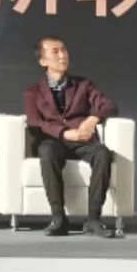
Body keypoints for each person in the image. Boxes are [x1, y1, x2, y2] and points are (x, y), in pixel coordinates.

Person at [23, 36, 118, 238]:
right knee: (46, 150)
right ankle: (58, 218)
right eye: (55, 52)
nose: (62, 55)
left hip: (82, 141)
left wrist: (93, 119)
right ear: (43, 61)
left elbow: (108, 105)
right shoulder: (33, 92)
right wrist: (64, 133)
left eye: (64, 50)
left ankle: (93, 220)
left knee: (103, 153)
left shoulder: (84, 85)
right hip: (54, 142)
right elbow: (34, 123)